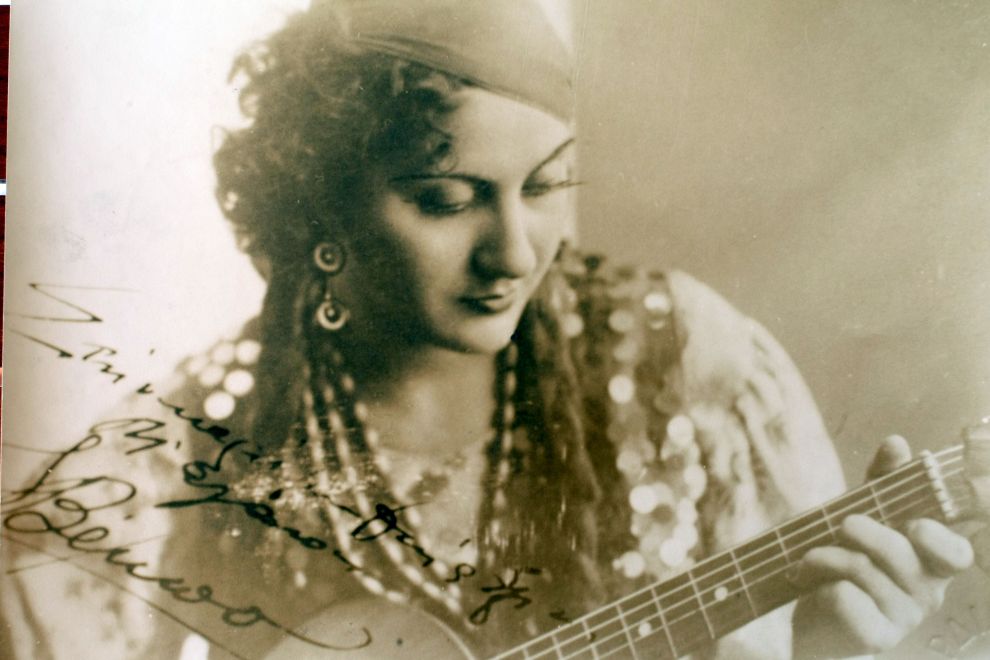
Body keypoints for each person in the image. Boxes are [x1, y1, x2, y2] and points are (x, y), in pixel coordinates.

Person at [1, 1, 975, 658]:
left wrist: (828, 651)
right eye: (447, 199)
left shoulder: (688, 365)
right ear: (324, 209)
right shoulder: (189, 452)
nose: (514, 251)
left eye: (546, 187)